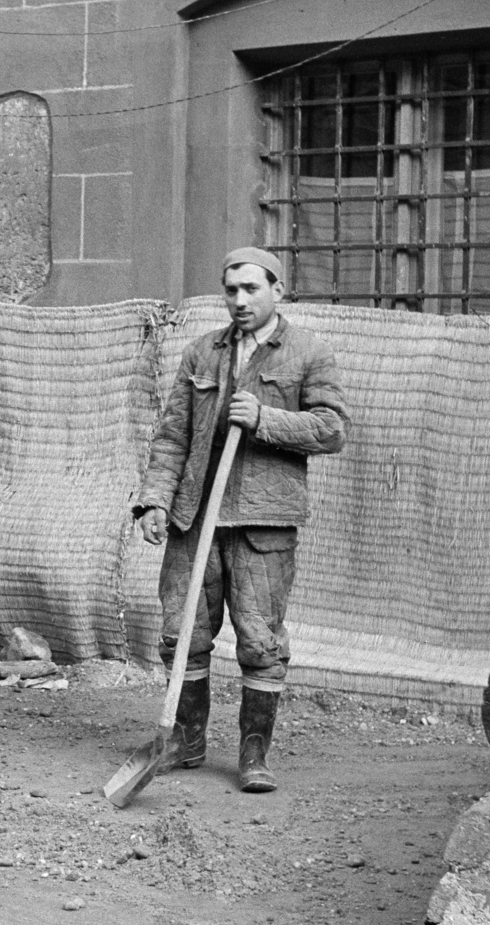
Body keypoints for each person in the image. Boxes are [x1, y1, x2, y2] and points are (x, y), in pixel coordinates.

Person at [133, 247, 349, 793]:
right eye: (231, 290)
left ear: (279, 290)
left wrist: (266, 419)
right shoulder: (202, 354)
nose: (239, 300)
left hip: (261, 526)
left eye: (251, 289)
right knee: (182, 632)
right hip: (193, 519)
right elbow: (172, 435)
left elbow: (332, 429)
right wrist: (156, 501)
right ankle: (185, 739)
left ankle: (254, 755)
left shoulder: (308, 353)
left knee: (260, 642)